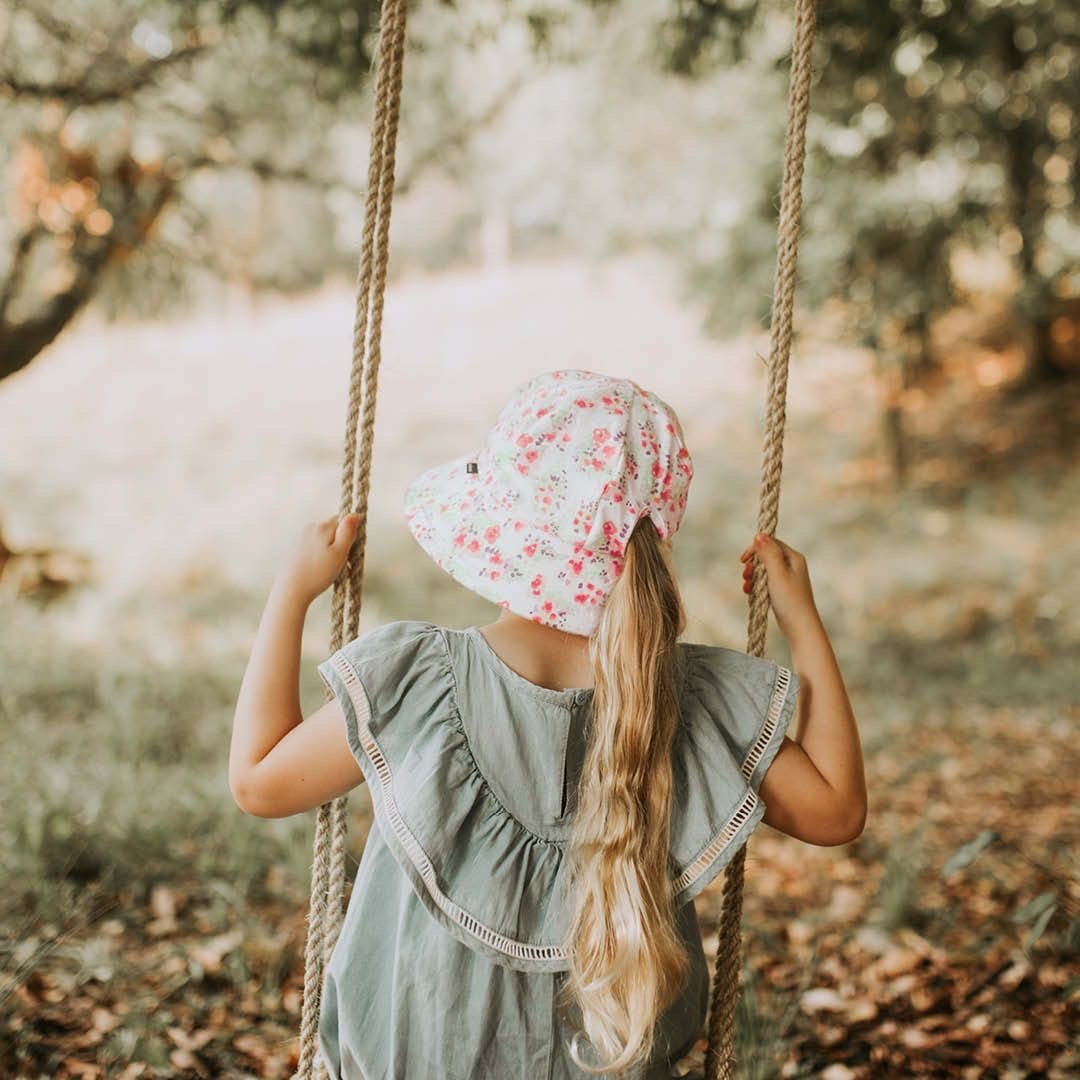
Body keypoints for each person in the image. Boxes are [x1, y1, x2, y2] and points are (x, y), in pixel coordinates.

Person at [229, 369, 867, 1080]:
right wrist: (802, 620)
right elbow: (836, 810)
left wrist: (291, 592)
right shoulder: (692, 699)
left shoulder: (417, 679)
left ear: (501, 531)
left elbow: (258, 782)